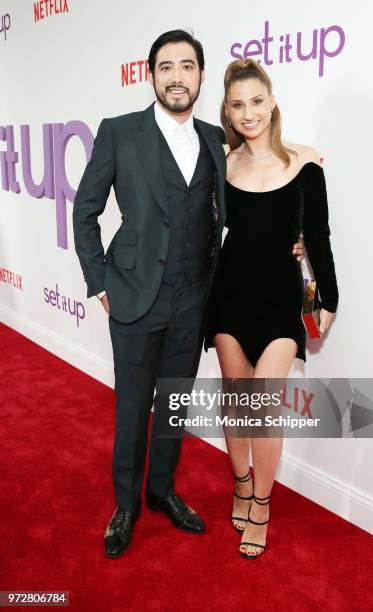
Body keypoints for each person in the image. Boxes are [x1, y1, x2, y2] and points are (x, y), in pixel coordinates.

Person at [73, 30, 303, 559]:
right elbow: (84, 212)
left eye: (187, 67)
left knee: (174, 403)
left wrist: (299, 220)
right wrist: (99, 282)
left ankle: (162, 490)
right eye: (166, 67)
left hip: (194, 299)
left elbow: (270, 167)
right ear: (149, 74)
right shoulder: (119, 132)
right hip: (132, 295)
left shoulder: (213, 142)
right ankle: (126, 505)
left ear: (201, 76)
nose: (177, 76)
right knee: (133, 407)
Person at [205, 59, 339, 559]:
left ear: (272, 101)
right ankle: (240, 481)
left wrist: (329, 297)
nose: (248, 112)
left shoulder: (305, 166)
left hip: (283, 300)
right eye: (237, 104)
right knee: (236, 401)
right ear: (227, 108)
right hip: (229, 297)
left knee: (263, 407)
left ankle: (261, 502)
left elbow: (319, 237)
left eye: (256, 101)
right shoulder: (221, 163)